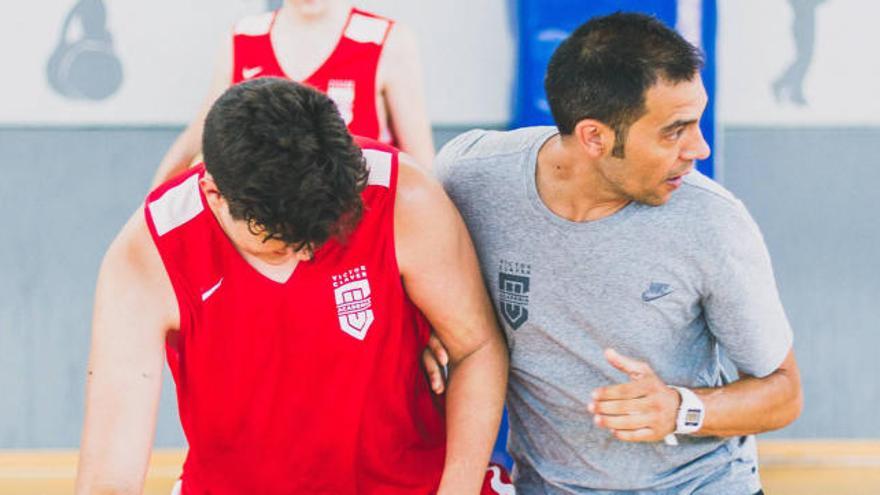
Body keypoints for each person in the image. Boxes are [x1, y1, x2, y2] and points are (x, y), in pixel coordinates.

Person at [75, 78, 509, 494]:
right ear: (214, 195)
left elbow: (476, 347)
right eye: (281, 244)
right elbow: (110, 476)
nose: (305, 257)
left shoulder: (402, 196)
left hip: (412, 483)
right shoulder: (149, 252)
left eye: (320, 237)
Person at [430, 12, 803, 494]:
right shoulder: (470, 176)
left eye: (697, 122)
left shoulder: (713, 222)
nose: (701, 148)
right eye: (675, 131)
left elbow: (784, 392)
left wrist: (681, 409)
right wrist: (425, 329)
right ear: (594, 137)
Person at [150, 0, 434, 187]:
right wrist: (150, 214)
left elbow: (422, 167)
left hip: (353, 229)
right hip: (265, 230)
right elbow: (197, 139)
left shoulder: (387, 40)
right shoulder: (244, 38)